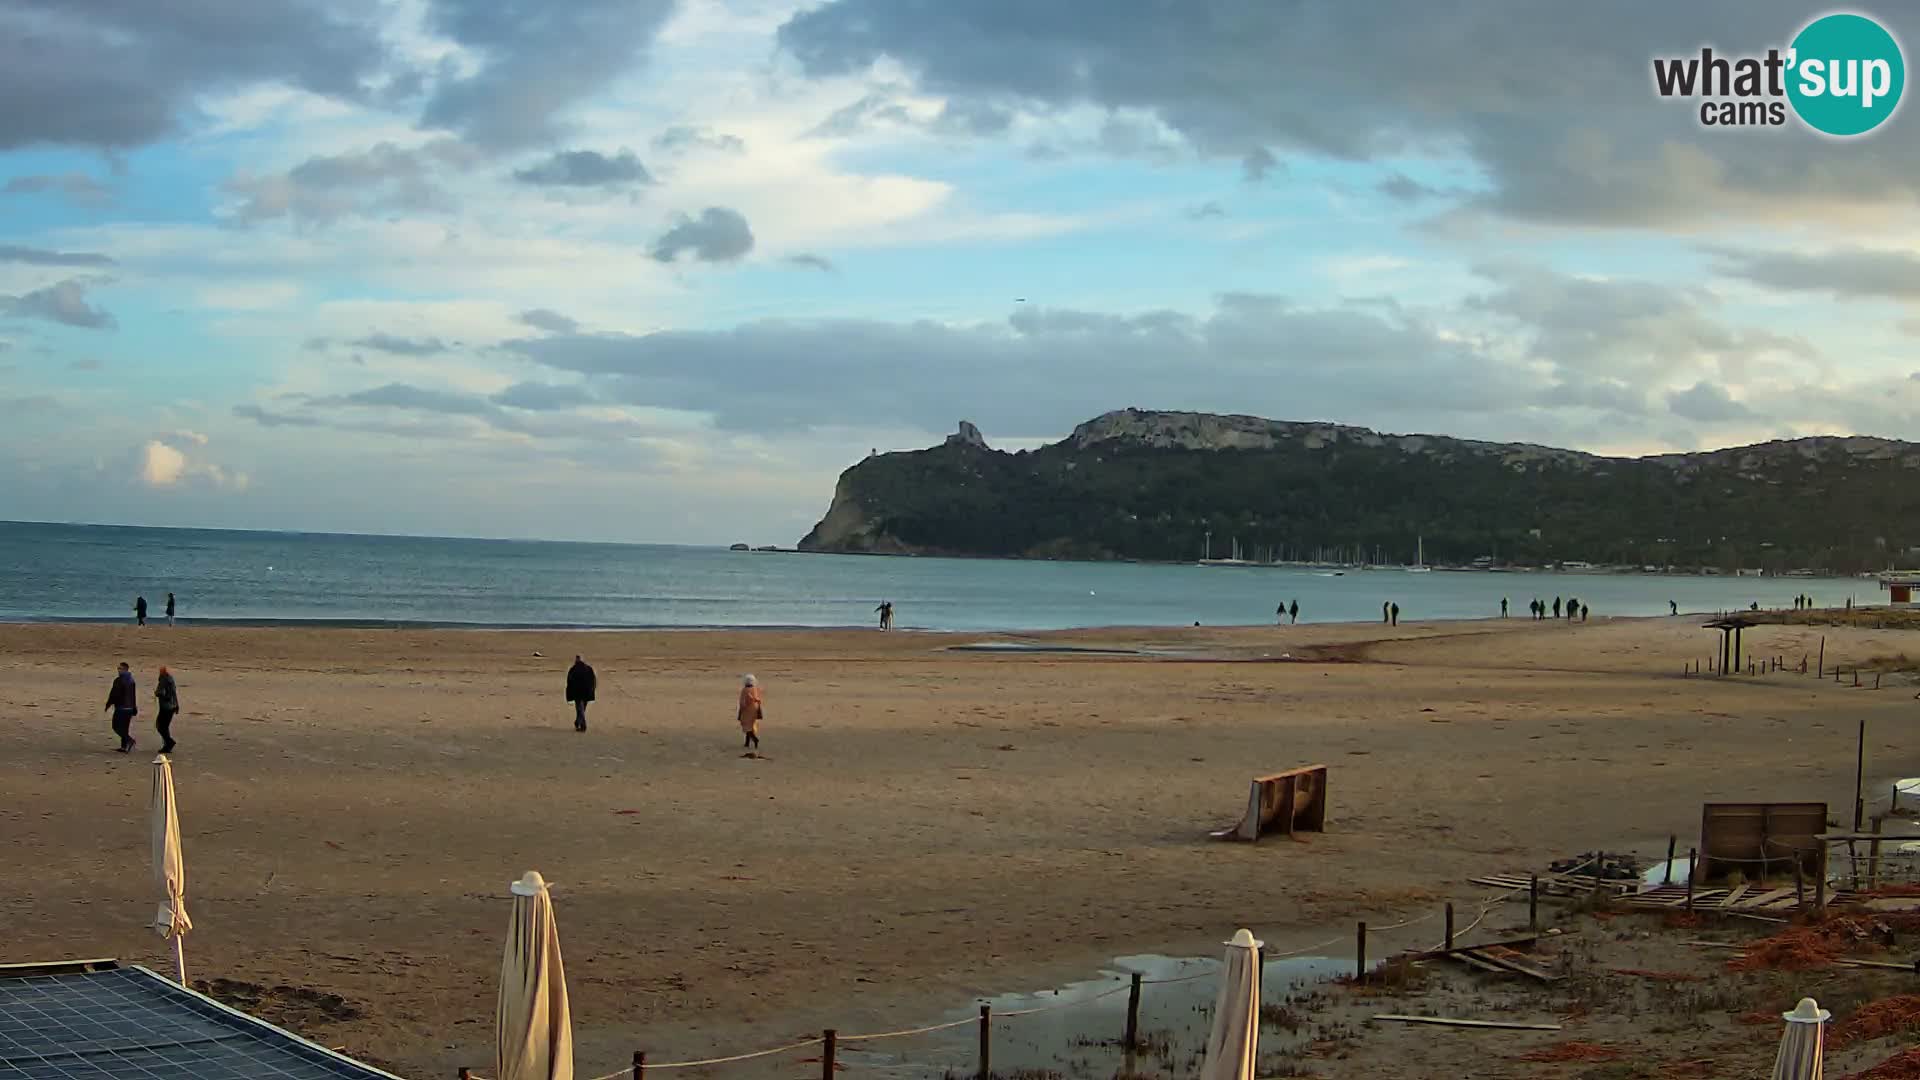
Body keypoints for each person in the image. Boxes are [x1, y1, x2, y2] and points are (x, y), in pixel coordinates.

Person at [104, 662, 138, 753]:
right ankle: (124, 746)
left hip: (121, 707)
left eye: (120, 669)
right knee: (125, 727)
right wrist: (134, 707)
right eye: (118, 668)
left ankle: (129, 740)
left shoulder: (118, 680)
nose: (118, 670)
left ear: (125, 669)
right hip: (129, 708)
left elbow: (114, 694)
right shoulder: (131, 680)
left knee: (116, 726)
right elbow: (133, 695)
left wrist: (109, 704)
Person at [565, 655, 596, 732]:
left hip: (577, 692)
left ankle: (582, 723)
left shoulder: (573, 669)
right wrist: (592, 690)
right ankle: (578, 721)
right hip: (587, 691)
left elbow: (569, 682)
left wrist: (569, 694)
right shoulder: (588, 668)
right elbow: (593, 681)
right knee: (582, 708)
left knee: (579, 708)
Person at [154, 666, 179, 754]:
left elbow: (161, 692)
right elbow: (174, 693)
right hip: (172, 706)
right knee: (164, 726)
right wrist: (176, 705)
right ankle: (167, 745)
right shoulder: (170, 679)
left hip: (165, 707)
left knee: (160, 726)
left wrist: (157, 693)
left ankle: (169, 742)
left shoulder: (164, 680)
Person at [738, 674, 763, 752]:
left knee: (746, 726)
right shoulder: (756, 689)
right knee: (751, 725)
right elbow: (758, 699)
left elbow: (743, 702)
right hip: (755, 709)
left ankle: (755, 739)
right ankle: (747, 742)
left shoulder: (744, 690)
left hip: (747, 710)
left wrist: (741, 710)